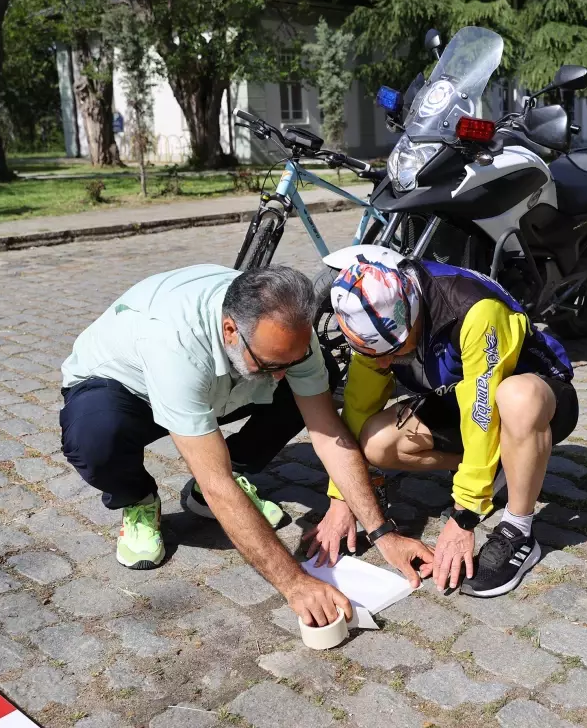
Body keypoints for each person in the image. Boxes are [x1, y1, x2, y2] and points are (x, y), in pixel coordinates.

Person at [59, 264, 433, 626]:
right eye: (272, 364)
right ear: (230, 330)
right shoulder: (175, 348)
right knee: (94, 438)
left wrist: (383, 534)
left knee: (311, 384)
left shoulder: (285, 334)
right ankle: (138, 499)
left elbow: (329, 436)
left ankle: (238, 467)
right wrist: (295, 583)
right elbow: (215, 482)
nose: (284, 373)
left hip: (221, 380)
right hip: (123, 388)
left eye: (293, 359)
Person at [306, 250, 579, 598]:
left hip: (537, 401)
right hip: (459, 398)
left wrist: (463, 515)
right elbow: (358, 408)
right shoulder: (374, 323)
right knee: (375, 440)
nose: (387, 361)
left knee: (516, 396)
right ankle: (502, 469)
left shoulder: (474, 311)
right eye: (376, 355)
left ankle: (519, 530)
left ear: (412, 310)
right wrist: (341, 498)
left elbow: (483, 416)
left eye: (394, 348)